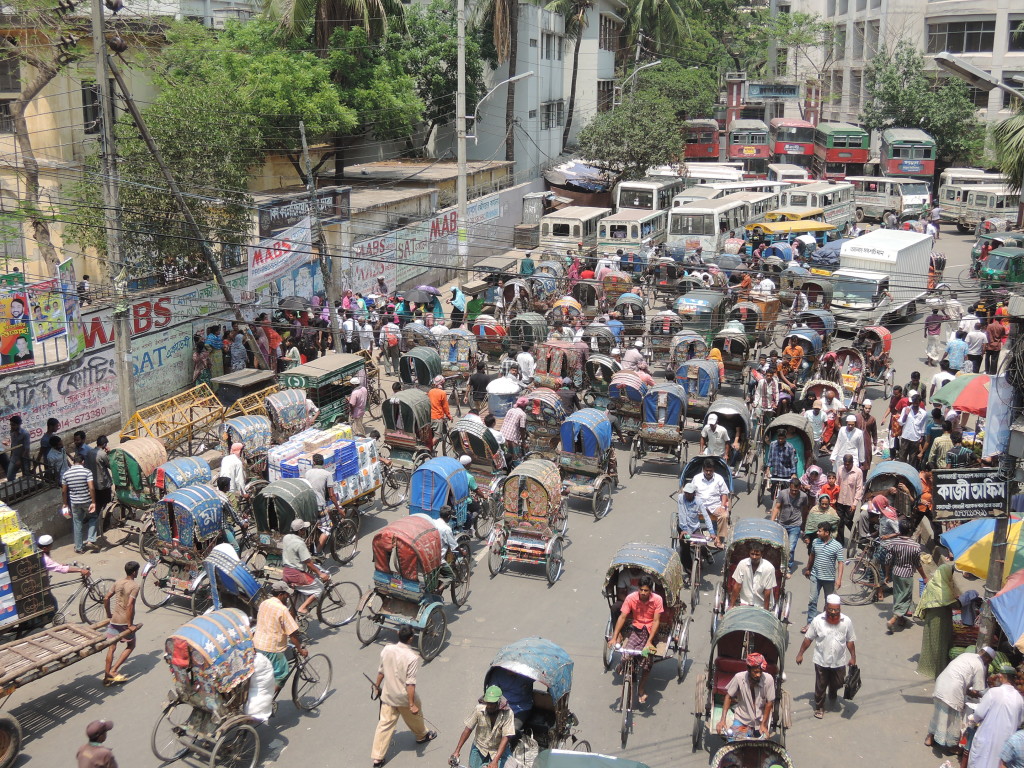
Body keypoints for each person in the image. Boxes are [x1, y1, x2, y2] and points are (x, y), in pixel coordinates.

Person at [371, 624, 437, 767]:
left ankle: (377, 758)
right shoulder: (412, 657)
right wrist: (412, 704)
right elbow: (410, 684)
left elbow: (381, 671)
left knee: (384, 724)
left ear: (398, 634)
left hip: (388, 695)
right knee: (415, 716)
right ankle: (422, 735)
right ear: (411, 639)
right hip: (404, 698)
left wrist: (376, 686)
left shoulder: (387, 649)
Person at [795, 594, 856, 720]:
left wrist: (853, 657)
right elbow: (808, 639)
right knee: (821, 685)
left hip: (839, 661)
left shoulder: (847, 622)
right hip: (821, 659)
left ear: (840, 609)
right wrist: (800, 654)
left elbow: (850, 640)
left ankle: (833, 691)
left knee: (839, 682)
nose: (833, 612)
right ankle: (819, 707)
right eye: (831, 609)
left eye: (836, 610)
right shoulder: (817, 621)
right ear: (826, 607)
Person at [926, 647, 994, 751]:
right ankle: (952, 746)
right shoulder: (980, 667)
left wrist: (968, 691)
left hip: (941, 683)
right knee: (953, 718)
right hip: (953, 690)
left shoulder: (966, 655)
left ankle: (930, 737)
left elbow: (961, 676)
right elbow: (977, 690)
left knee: (938, 713)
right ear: (988, 660)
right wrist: (982, 696)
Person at [608, 575, 663, 704]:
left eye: (646, 591)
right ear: (638, 589)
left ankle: (641, 689)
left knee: (647, 661)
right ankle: (623, 665)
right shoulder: (631, 598)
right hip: (637, 629)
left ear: (651, 591)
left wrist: (649, 641)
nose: (643, 593)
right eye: (641, 590)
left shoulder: (657, 599)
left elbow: (656, 621)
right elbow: (622, 617)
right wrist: (614, 637)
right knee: (627, 652)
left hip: (650, 631)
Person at [253, 581, 306, 693]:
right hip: (271, 648)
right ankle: (267, 700)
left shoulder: (264, 603)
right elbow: (292, 634)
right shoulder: (282, 610)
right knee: (281, 674)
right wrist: (300, 649)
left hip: (257, 644)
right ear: (281, 594)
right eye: (286, 595)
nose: (287, 597)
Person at [968, 665, 1024, 768]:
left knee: (980, 762)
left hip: (986, 737)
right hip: (1005, 742)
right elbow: (1019, 722)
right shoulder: (1019, 699)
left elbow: (979, 714)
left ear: (1001, 677)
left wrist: (973, 719)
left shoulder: (993, 692)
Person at [916, 561, 961, 678]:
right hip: (940, 620)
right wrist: (965, 599)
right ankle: (939, 670)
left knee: (931, 643)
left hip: (931, 618)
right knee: (941, 644)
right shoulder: (943, 588)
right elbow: (954, 605)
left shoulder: (934, 583)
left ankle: (928, 666)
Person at [451, 685, 515, 768]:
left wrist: (495, 760)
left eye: (492, 704)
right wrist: (457, 751)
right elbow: (468, 729)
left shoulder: (508, 714)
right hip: (480, 747)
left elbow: (506, 737)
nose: (490, 706)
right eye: (488, 703)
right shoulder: (479, 709)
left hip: (497, 749)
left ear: (499, 702)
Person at [882, 518, 927, 633]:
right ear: (910, 531)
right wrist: (924, 577)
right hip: (907, 575)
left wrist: (887, 575)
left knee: (898, 595)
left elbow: (888, 560)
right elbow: (917, 564)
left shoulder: (894, 543)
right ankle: (894, 619)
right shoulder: (915, 546)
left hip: (896, 573)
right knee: (905, 597)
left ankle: (901, 619)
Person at [716, 653, 776, 739]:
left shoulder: (768, 679)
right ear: (748, 669)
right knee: (733, 742)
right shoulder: (739, 678)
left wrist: (763, 725)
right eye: (755, 672)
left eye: (760, 672)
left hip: (760, 722)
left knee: (762, 747)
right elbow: (728, 697)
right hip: (742, 719)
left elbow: (769, 703)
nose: (758, 675)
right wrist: (722, 720)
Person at [281, 519, 331, 616]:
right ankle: (302, 608)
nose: (305, 531)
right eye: (303, 529)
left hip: (286, 572)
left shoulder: (286, 537)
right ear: (300, 531)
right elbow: (308, 562)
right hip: (296, 574)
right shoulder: (300, 544)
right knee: (319, 587)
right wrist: (320, 573)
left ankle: (296, 609)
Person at [102, 561, 140, 686]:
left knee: (111, 648)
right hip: (124, 621)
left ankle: (107, 676)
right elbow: (130, 605)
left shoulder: (117, 582)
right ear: (134, 572)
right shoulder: (135, 586)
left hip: (114, 620)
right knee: (131, 645)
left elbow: (106, 598)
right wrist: (130, 625)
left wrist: (108, 614)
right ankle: (113, 670)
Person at [802, 522, 844, 634]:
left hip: (829, 579)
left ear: (827, 532)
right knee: (812, 600)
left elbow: (840, 563)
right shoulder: (815, 542)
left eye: (820, 531)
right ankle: (810, 623)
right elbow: (812, 556)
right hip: (815, 576)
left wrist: (839, 579)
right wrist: (808, 569)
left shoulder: (837, 546)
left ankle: (827, 624)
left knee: (829, 603)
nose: (817, 533)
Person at [676, 482, 719, 578]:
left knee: (701, 543)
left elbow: (706, 516)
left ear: (694, 493)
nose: (687, 495)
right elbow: (682, 514)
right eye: (686, 492)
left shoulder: (698, 501)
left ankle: (706, 554)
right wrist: (683, 529)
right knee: (684, 550)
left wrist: (712, 532)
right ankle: (690, 573)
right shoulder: (681, 498)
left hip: (694, 528)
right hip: (683, 529)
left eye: (689, 493)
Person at [771, 477, 810, 572]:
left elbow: (805, 510)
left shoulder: (804, 496)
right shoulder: (783, 494)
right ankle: (778, 563)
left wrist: (804, 525)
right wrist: (772, 522)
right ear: (789, 487)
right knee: (779, 546)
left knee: (791, 548)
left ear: (800, 488)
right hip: (782, 524)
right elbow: (777, 507)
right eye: (792, 490)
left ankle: (788, 566)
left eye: (796, 491)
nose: (794, 492)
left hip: (795, 525)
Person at [63, 453, 97, 554]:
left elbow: (64, 491)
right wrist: (94, 502)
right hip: (86, 500)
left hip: (74, 502)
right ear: (83, 462)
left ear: (73, 462)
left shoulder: (66, 473)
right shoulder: (87, 472)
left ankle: (78, 547)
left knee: (77, 523)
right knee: (93, 517)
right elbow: (91, 487)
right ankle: (90, 539)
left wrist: (65, 504)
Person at [693, 458, 731, 543]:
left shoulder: (719, 478)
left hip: (714, 506)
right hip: (699, 506)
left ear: (714, 470)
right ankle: (692, 536)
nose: (708, 473)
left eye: (710, 470)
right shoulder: (696, 478)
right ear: (703, 469)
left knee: (724, 516)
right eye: (706, 470)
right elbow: (691, 491)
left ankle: (719, 538)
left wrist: (722, 506)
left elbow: (724, 493)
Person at [729, 542, 777, 610]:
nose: (754, 557)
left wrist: (766, 610)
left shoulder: (769, 568)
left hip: (761, 604)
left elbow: (767, 591)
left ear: (762, 554)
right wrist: (731, 605)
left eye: (757, 555)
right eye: (752, 554)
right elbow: (737, 585)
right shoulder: (742, 564)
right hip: (745, 602)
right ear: (749, 553)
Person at [834, 454, 862, 547]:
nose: (846, 466)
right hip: (840, 500)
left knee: (848, 521)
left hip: (850, 502)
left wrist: (854, 504)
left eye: (848, 464)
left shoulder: (858, 472)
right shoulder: (840, 469)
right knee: (840, 522)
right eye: (845, 464)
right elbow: (837, 483)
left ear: (852, 463)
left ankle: (856, 533)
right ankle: (841, 542)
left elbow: (859, 489)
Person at [898, 393, 928, 467]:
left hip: (915, 438)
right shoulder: (906, 409)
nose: (914, 404)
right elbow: (901, 423)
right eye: (913, 402)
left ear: (919, 402)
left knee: (913, 459)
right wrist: (906, 414)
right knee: (902, 458)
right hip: (905, 437)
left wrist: (922, 436)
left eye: (916, 402)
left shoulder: (923, 413)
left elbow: (923, 426)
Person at [2, 414, 30, 482]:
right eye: (11, 425)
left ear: (19, 425)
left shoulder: (25, 434)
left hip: (23, 458)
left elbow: (27, 449)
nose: (12, 426)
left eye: (13, 425)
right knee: (10, 477)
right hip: (14, 458)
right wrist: (11, 455)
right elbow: (13, 444)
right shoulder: (12, 432)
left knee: (27, 477)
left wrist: (21, 460)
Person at [429, 375, 452, 440]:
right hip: (437, 417)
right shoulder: (442, 393)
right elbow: (445, 407)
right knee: (437, 437)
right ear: (442, 383)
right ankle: (429, 449)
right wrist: (449, 416)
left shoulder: (431, 391)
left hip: (430, 416)